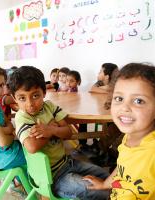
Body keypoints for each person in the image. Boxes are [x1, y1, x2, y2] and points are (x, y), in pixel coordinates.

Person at [83, 63, 155, 199]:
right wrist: (105, 184)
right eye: (119, 98)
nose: (124, 107)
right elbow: (123, 167)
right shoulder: (130, 136)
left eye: (138, 101)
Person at [9, 66, 109, 200]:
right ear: (14, 98)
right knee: (101, 192)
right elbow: (32, 146)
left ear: (44, 93)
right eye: (22, 98)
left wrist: (50, 130)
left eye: (35, 95)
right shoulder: (22, 117)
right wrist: (54, 129)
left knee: (107, 177)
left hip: (67, 163)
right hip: (51, 177)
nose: (30, 104)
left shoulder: (49, 106)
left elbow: (68, 133)